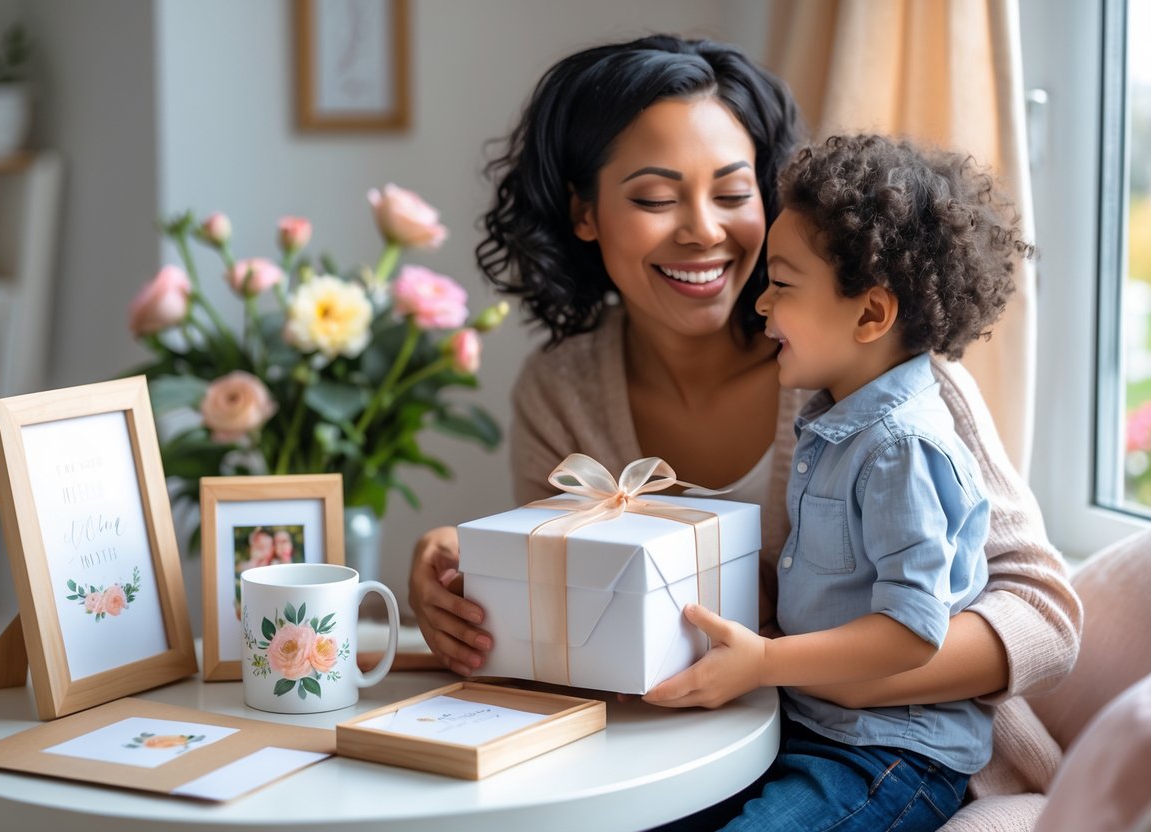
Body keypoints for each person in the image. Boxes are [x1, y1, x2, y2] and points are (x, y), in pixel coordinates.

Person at [407, 33, 1081, 824]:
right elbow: (572, 631)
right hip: (677, 753)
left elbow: (1044, 617)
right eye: (656, 199)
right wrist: (471, 578)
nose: (703, 231)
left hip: (884, 761)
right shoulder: (562, 393)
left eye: (732, 193)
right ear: (585, 213)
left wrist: (787, 667)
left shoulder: (887, 384)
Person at [656, 133, 1029, 830]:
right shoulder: (834, 420)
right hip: (809, 726)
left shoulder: (901, 448)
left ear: (869, 314)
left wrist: (764, 661)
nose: (760, 305)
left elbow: (910, 633)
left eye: (782, 285)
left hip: (889, 754)